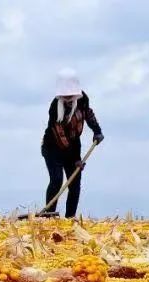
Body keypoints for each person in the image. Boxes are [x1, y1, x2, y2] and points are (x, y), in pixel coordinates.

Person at [40, 69, 104, 218]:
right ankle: (49, 216)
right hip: (52, 149)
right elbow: (60, 136)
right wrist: (76, 159)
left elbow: (88, 114)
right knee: (56, 180)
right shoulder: (55, 107)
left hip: (73, 146)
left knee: (74, 184)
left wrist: (97, 130)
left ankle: (70, 218)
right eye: (65, 95)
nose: (68, 97)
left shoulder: (82, 99)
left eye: (70, 94)